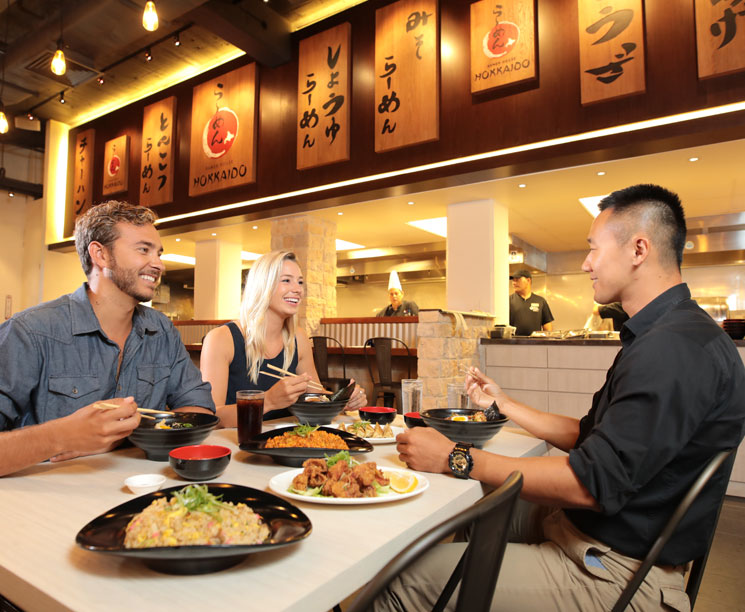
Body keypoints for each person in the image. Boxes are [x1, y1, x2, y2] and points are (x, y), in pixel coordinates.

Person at [385, 184, 745, 611]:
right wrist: (505, 404)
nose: (586, 262)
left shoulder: (672, 350)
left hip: (618, 572)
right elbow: (590, 436)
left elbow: (589, 482)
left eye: (594, 248)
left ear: (639, 249)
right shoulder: (668, 333)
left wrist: (455, 456)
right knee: (481, 508)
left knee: (403, 578)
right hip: (597, 535)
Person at [0, 200, 215, 477]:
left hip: (140, 489)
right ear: (99, 255)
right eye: (143, 250)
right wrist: (61, 436)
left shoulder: (162, 331)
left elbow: (199, 411)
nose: (159, 264)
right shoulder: (29, 332)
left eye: (159, 253)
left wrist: (119, 437)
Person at [200, 250, 366, 427]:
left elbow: (316, 397)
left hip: (287, 440)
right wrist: (268, 401)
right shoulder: (221, 339)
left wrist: (341, 402)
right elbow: (211, 417)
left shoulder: (299, 339)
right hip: (237, 442)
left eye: (300, 282)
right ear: (263, 286)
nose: (297, 289)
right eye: (286, 280)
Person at [508, 269, 554, 335]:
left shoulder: (540, 301)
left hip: (535, 343)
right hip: (514, 343)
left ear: (528, 280)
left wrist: (547, 340)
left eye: (517, 280)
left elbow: (547, 326)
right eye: (513, 280)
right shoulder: (508, 300)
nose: (514, 283)